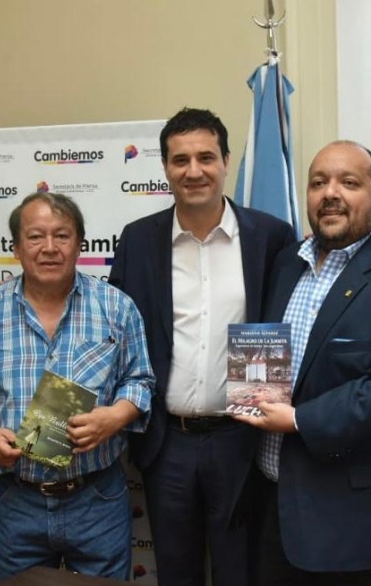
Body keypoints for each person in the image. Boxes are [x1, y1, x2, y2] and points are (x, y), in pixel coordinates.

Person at [234, 141, 371, 585]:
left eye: (349, 183)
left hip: (361, 530)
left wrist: (297, 419)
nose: (330, 193)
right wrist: (248, 395)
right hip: (273, 508)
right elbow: (266, 356)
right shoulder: (286, 264)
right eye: (318, 183)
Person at [108, 107, 295, 586]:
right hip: (167, 441)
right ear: (165, 167)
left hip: (242, 439)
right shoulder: (138, 240)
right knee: (176, 573)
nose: (194, 171)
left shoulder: (270, 237)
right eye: (180, 160)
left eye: (206, 157)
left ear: (226, 161)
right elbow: (110, 322)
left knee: (240, 572)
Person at [0, 192, 154, 580]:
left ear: (80, 244)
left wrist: (114, 417)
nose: (49, 247)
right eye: (35, 236)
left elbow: (140, 379)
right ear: (16, 248)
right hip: (19, 497)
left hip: (97, 497)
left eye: (61, 235)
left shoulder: (117, 307)